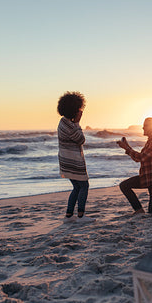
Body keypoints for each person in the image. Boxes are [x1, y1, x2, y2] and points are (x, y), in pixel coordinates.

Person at [57, 91, 94, 223]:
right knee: (84, 186)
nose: (80, 111)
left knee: (77, 187)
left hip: (66, 160)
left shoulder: (63, 122)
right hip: (73, 161)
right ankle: (80, 215)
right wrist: (78, 123)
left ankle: (68, 215)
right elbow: (81, 139)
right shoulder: (70, 125)